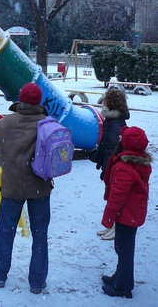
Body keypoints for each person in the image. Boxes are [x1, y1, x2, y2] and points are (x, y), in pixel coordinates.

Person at [0, 83, 53, 294]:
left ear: (20, 100)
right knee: (40, 234)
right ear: (39, 102)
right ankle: (37, 281)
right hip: (39, 187)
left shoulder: (5, 124)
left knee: (6, 231)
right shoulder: (48, 124)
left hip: (12, 186)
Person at [100, 126, 152, 299]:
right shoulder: (137, 161)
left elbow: (118, 196)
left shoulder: (125, 166)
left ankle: (123, 287)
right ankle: (120, 276)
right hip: (132, 213)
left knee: (125, 249)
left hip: (127, 214)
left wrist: (108, 217)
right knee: (122, 247)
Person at [95, 88, 130, 240]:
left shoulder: (116, 124)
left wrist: (109, 168)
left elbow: (114, 148)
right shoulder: (112, 120)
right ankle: (111, 225)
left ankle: (116, 227)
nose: (102, 103)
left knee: (114, 195)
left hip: (114, 165)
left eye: (105, 101)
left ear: (111, 104)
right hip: (109, 163)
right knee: (110, 195)